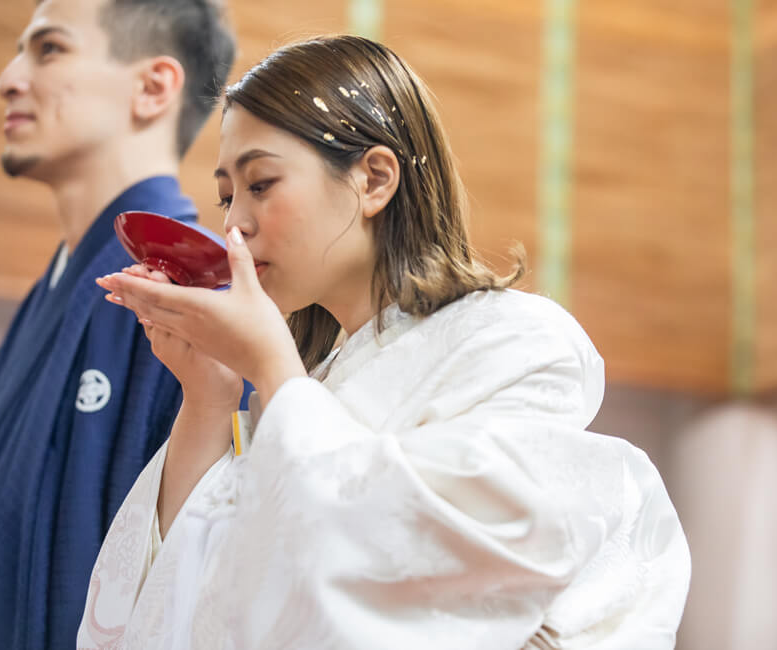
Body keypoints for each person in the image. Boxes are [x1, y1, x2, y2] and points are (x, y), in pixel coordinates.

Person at [81, 35, 691, 649]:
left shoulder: (514, 339)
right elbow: (191, 599)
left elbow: (446, 578)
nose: (234, 223)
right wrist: (208, 396)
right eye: (225, 196)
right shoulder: (306, 388)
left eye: (260, 183)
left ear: (374, 179)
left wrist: (271, 366)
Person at [0, 1, 234, 648]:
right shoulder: (60, 282)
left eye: (49, 49)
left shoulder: (197, 288)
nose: (9, 77)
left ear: (153, 88)